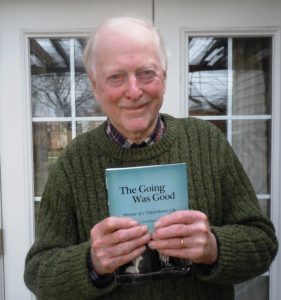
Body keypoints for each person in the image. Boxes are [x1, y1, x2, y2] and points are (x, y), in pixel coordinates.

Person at [24, 17, 278, 300]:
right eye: (116, 77)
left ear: (165, 78)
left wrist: (213, 247)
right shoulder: (73, 163)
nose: (134, 91)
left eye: (146, 73)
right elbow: (38, 273)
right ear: (95, 87)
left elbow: (263, 244)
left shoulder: (207, 141)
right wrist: (92, 263)